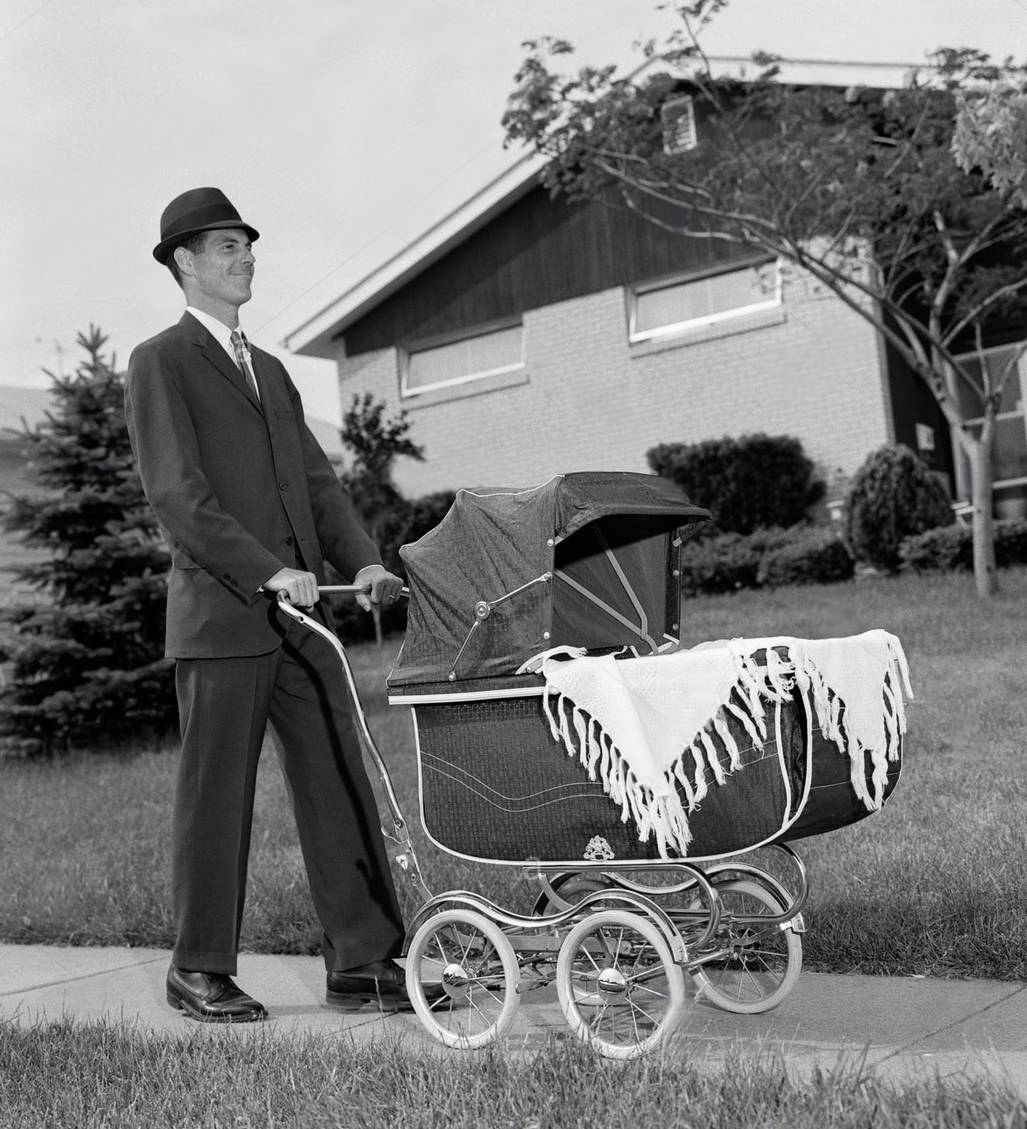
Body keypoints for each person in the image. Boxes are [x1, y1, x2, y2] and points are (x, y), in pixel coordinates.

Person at [126, 186, 420, 1022]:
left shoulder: (275, 371)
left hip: (302, 623)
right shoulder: (162, 361)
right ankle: (198, 968)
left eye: (247, 244)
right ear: (184, 263)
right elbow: (177, 495)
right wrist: (264, 570)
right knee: (216, 798)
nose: (245, 256)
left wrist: (361, 563)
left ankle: (364, 961)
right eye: (226, 247)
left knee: (339, 778)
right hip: (222, 620)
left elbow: (317, 487)